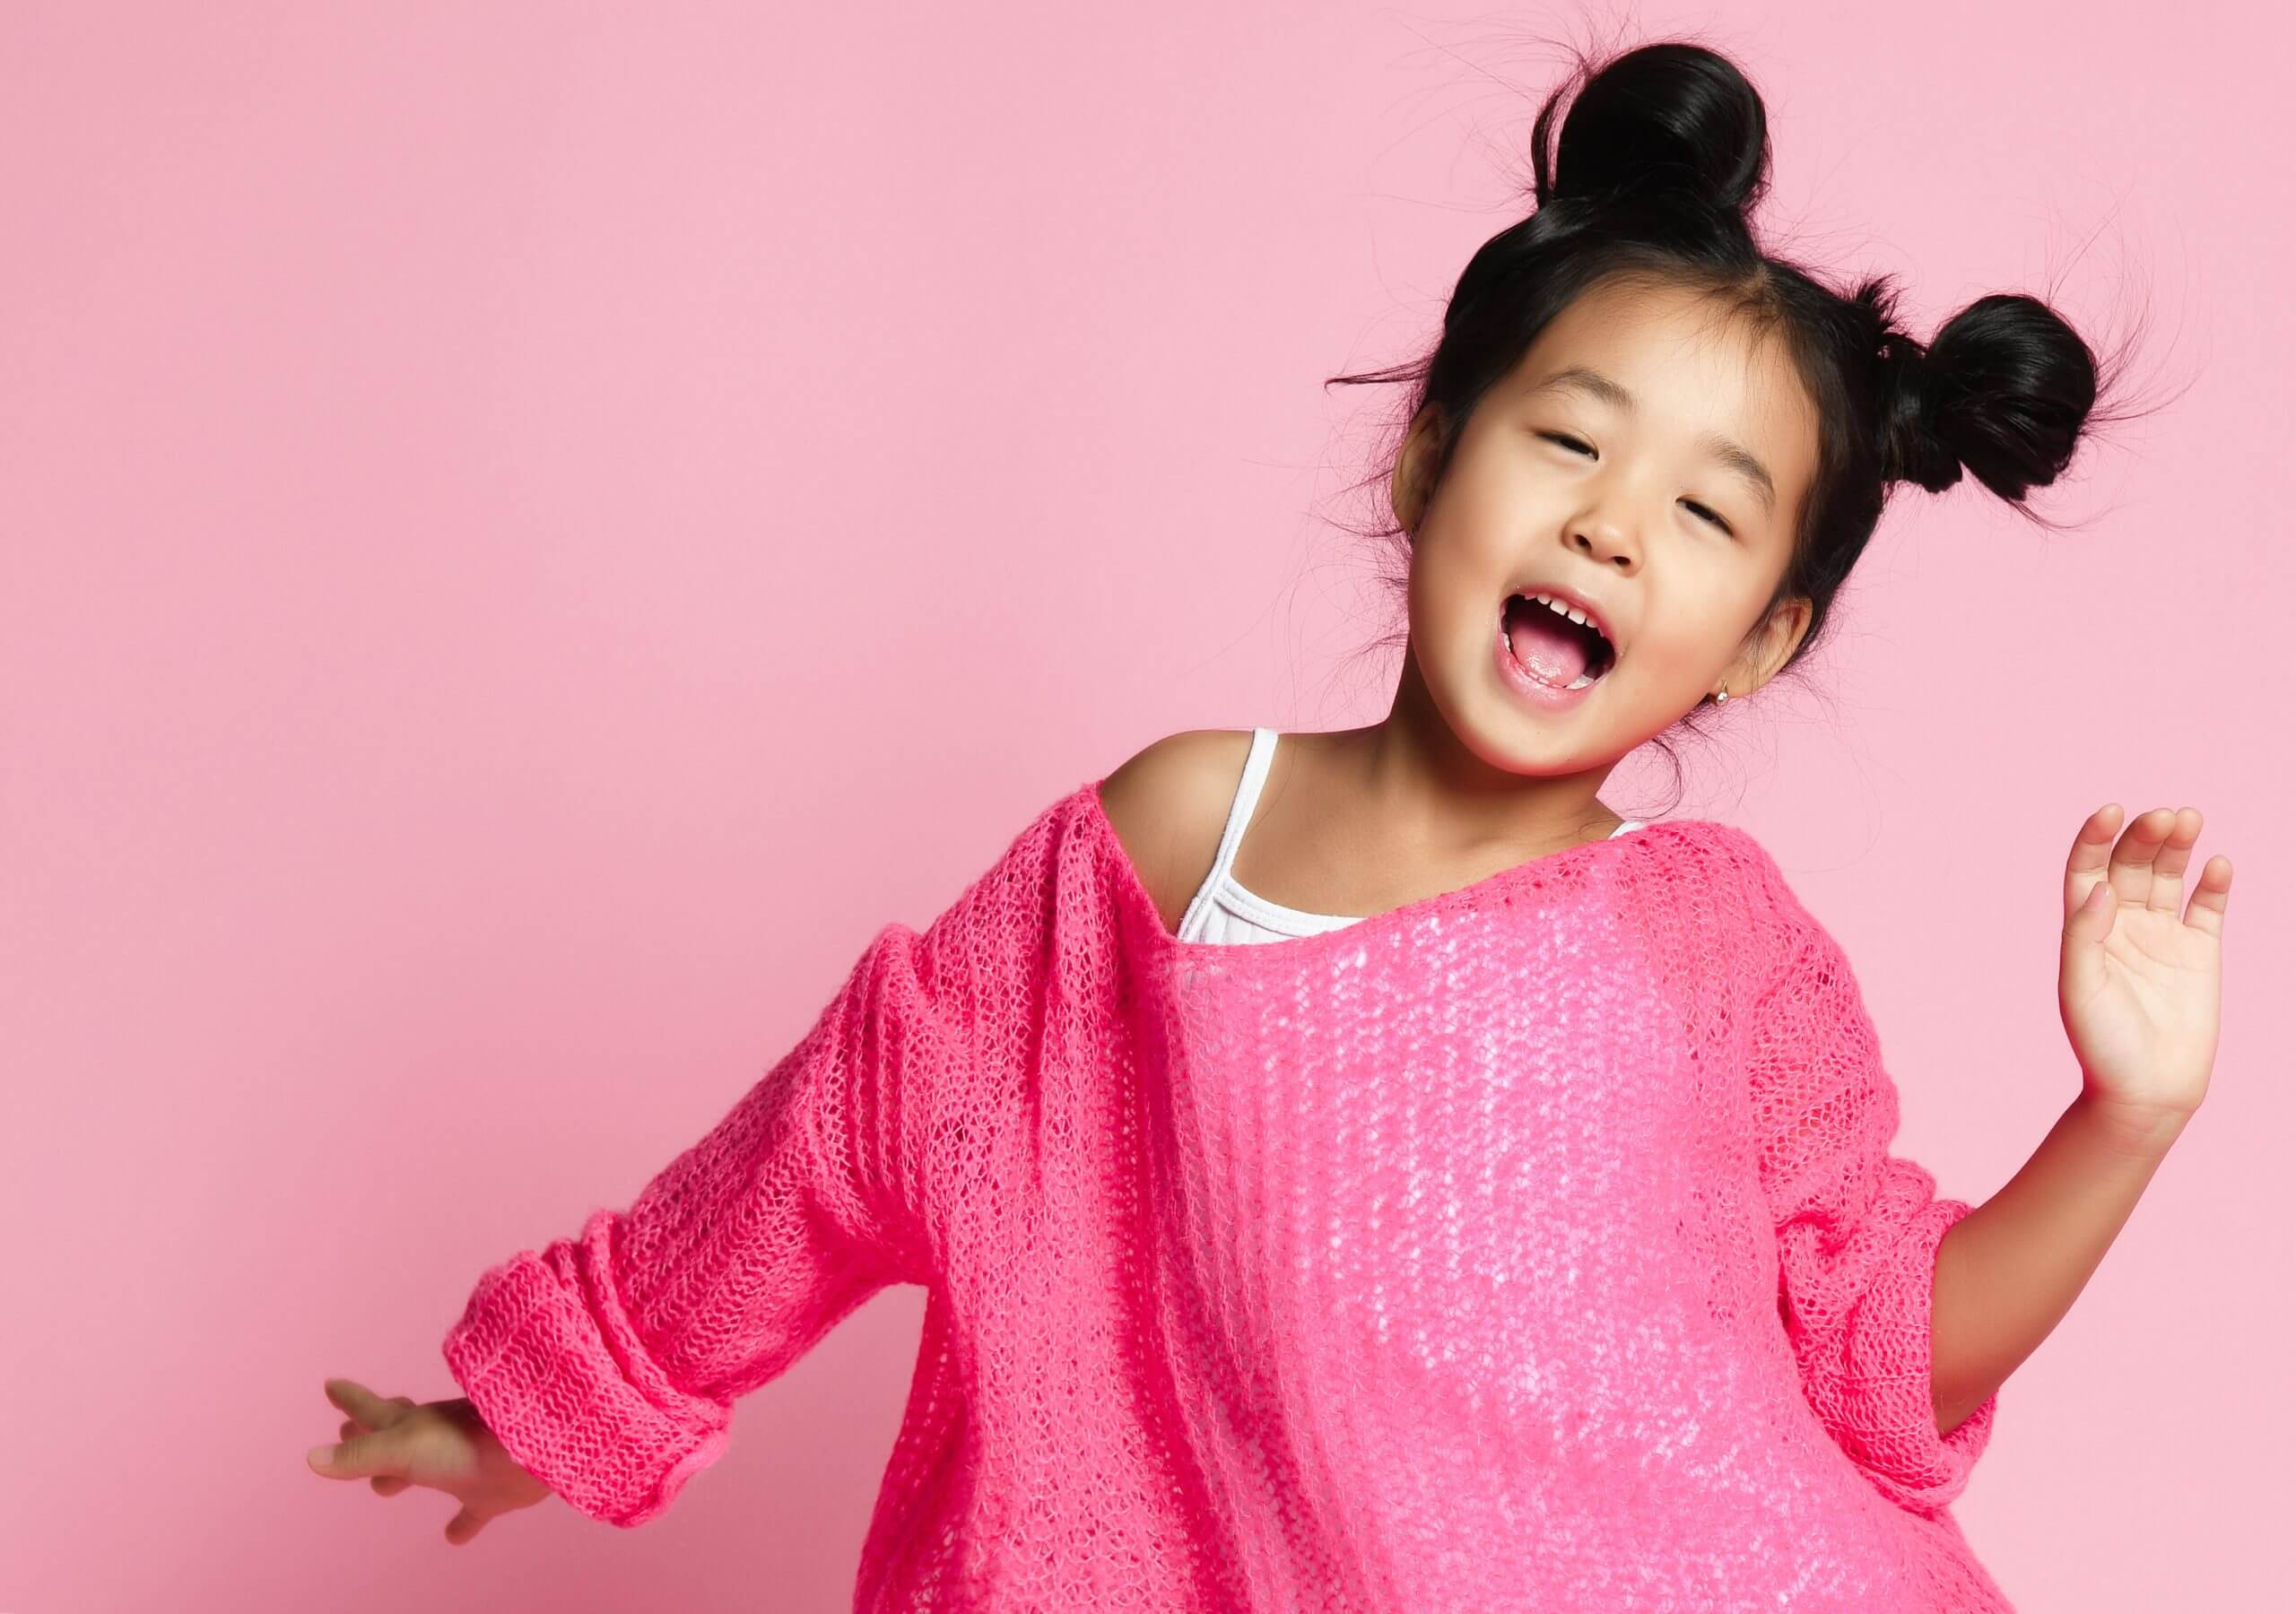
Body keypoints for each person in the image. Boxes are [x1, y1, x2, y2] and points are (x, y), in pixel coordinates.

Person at [303, 38, 2232, 1612]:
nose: (1610, 522)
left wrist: (2118, 1115)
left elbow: (1885, 1359)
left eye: (1706, 514)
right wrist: (556, 1404)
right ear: (1424, 452)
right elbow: (848, 1128)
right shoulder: (1175, 840)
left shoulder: (1715, 943)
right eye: (1565, 438)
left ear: (1755, 641)